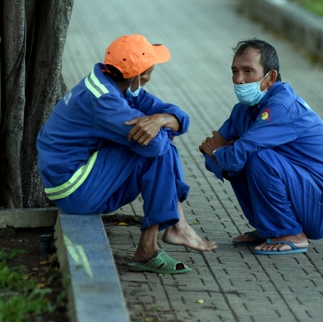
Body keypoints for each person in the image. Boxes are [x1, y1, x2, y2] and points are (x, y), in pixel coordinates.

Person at [37, 34, 216, 274]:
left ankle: (171, 230)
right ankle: (158, 241)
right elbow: (153, 147)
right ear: (136, 76)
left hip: (86, 181)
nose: (149, 79)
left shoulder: (118, 84)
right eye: (149, 72)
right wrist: (162, 129)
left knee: (159, 144)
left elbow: (180, 117)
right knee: (157, 151)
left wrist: (162, 119)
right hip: (74, 188)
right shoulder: (104, 99)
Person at [199, 39, 323, 255]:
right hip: (303, 197)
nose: (239, 80)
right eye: (235, 71)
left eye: (248, 71)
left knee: (258, 158)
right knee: (244, 160)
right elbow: (211, 154)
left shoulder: (281, 107)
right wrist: (223, 154)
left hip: (322, 208)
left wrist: (222, 152)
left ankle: (291, 234)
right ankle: (270, 228)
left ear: (270, 77)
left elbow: (221, 152)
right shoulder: (242, 111)